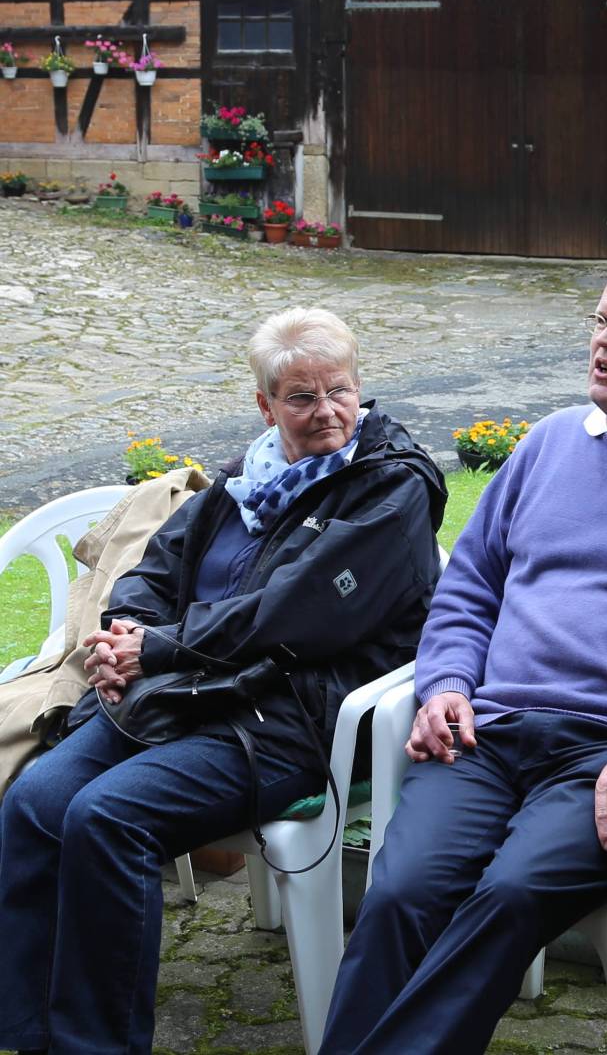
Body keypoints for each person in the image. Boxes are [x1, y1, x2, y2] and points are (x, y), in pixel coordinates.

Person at [320, 251, 607, 1055]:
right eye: (600, 321)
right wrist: (448, 683)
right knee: (401, 892)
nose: (603, 342)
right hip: (485, 733)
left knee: (513, 892)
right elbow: (470, 586)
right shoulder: (549, 442)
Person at [0, 307, 446, 1055]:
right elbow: (156, 568)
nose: (326, 411)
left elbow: (295, 616)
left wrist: (160, 650)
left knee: (109, 819)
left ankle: (94, 1045)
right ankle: (31, 1031)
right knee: (37, 801)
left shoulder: (390, 489)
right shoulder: (248, 477)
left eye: (339, 390)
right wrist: (122, 636)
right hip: (183, 697)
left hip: (289, 718)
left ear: (359, 388)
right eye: (300, 398)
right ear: (265, 406)